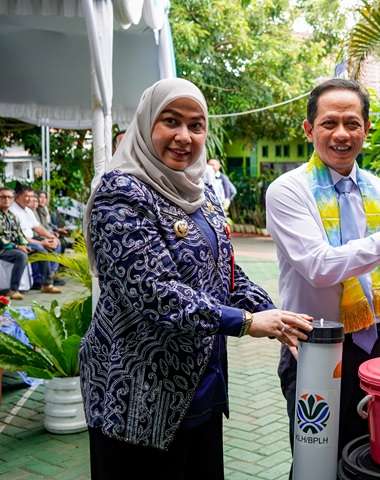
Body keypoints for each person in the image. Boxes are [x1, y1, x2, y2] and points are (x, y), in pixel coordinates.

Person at [80, 77, 313, 480]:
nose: (184, 137)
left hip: (199, 388)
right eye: (171, 121)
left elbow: (225, 271)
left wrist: (273, 314)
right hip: (138, 394)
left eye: (196, 125)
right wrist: (245, 322)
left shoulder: (202, 193)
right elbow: (151, 290)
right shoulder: (120, 192)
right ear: (146, 123)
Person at [265, 78, 380, 462]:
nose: (341, 134)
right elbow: (320, 265)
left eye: (352, 123)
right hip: (315, 348)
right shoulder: (288, 191)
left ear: (366, 129)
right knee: (316, 463)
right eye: (329, 123)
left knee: (377, 456)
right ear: (309, 130)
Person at [10, 184, 62, 293]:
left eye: (31, 196)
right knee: (41, 249)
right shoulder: (12, 210)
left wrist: (52, 237)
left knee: (57, 243)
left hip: (31, 239)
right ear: (18, 196)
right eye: (26, 196)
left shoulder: (27, 210)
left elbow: (38, 227)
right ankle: (44, 283)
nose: (29, 199)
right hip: (19, 242)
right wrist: (42, 243)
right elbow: (19, 237)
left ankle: (50, 275)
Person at [0, 187, 29, 300]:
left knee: (41, 250)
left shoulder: (13, 217)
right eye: (3, 197)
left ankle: (45, 284)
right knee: (21, 256)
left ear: (13, 199)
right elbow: (1, 240)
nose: (6, 199)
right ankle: (13, 290)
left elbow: (20, 234)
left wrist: (25, 245)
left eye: (9, 197)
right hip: (3, 249)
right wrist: (18, 247)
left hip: (15, 248)